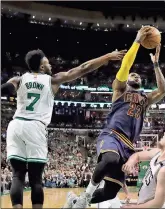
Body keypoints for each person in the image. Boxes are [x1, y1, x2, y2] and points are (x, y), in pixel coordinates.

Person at [1, 48, 125, 209]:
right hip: (35, 127)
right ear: (41, 66)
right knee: (36, 179)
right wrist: (107, 56)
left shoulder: (18, 80)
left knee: (17, 175)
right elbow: (82, 69)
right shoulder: (52, 80)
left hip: (15, 125)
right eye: (47, 62)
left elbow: (4, 89)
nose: (50, 64)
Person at [64, 26, 165, 208]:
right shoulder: (119, 89)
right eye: (131, 75)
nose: (134, 75)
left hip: (128, 145)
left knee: (110, 192)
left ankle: (73, 200)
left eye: (138, 76)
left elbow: (162, 90)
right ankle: (84, 198)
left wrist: (156, 64)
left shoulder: (145, 98)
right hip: (112, 135)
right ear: (126, 79)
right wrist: (136, 41)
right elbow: (126, 65)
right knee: (110, 159)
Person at [122, 129, 165, 208]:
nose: (164, 134)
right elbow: (137, 156)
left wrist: (131, 207)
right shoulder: (157, 153)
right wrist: (130, 163)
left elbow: (157, 204)